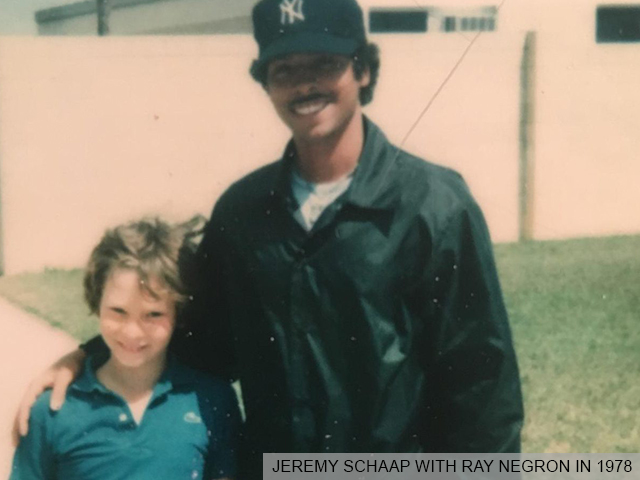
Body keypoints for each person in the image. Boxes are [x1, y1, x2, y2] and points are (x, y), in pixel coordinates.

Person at [15, 0, 523, 476]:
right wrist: (86, 356)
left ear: (363, 69)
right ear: (265, 83)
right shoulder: (242, 212)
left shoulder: (432, 205)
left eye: (323, 64)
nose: (305, 85)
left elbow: (482, 386)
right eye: (285, 71)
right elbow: (196, 338)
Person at [11, 218, 240, 480]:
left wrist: (292, 468)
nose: (133, 332)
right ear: (96, 302)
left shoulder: (212, 400)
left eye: (153, 314)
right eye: (118, 311)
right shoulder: (52, 411)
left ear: (178, 313)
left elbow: (273, 469)